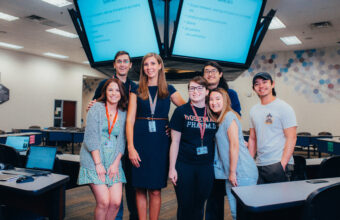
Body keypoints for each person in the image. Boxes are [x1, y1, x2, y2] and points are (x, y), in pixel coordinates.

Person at [126, 53, 185, 220]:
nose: (149, 67)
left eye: (153, 63)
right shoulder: (136, 90)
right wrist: (130, 147)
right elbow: (129, 120)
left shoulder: (169, 89)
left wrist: (172, 126)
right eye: (146, 64)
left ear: (160, 66)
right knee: (139, 188)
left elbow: (186, 110)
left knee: (155, 189)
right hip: (139, 141)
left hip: (160, 143)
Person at [87, 51, 138, 220]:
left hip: (127, 144)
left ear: (130, 65)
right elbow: (96, 106)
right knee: (112, 195)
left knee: (131, 188)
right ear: (114, 65)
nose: (122, 64)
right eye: (119, 61)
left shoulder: (135, 87)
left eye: (126, 61)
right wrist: (92, 106)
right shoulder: (104, 83)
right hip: (107, 147)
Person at [78, 78, 128, 220]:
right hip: (93, 160)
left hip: (113, 160)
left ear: (121, 93)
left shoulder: (123, 112)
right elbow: (90, 138)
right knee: (104, 202)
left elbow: (121, 140)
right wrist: (98, 164)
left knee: (116, 203)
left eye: (117, 90)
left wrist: (116, 164)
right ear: (105, 92)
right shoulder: (96, 108)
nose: (113, 93)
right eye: (110, 90)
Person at [169, 76, 217, 220]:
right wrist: (172, 168)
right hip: (184, 165)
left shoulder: (214, 112)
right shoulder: (181, 112)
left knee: (199, 205)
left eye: (199, 88)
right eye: (192, 88)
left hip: (206, 166)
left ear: (207, 91)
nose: (195, 91)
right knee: (185, 205)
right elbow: (175, 142)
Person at [208, 88, 258, 220]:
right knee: (237, 214)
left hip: (241, 172)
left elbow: (234, 145)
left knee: (245, 214)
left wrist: (232, 172)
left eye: (218, 99)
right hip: (232, 173)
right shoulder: (221, 119)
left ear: (225, 100)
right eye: (211, 100)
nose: (214, 102)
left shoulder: (229, 116)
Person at [203, 61, 242, 220]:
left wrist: (221, 103)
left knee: (236, 197)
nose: (210, 74)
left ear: (220, 74)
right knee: (213, 197)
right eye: (207, 71)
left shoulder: (230, 94)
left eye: (214, 71)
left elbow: (237, 118)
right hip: (208, 151)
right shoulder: (201, 95)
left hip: (226, 150)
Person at [248, 72, 297, 184]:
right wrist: (249, 163)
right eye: (257, 84)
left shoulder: (284, 107)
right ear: (254, 88)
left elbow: (292, 137)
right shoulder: (253, 110)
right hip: (259, 164)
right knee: (261, 200)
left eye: (265, 82)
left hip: (278, 163)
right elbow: (252, 138)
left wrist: (283, 164)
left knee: (280, 200)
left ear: (273, 84)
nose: (261, 86)